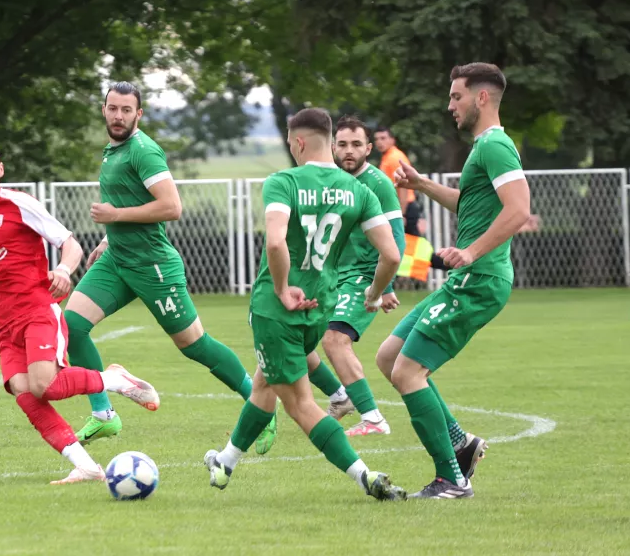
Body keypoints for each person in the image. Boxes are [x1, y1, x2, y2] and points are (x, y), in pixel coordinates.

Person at [202, 108, 406, 501]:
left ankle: (367, 476)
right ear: (330, 143)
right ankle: (225, 462)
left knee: (299, 404)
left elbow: (276, 242)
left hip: (278, 310)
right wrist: (375, 293)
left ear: (297, 142)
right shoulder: (359, 190)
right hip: (320, 307)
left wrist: (281, 288)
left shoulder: (284, 182)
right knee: (265, 381)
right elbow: (392, 256)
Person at [63, 82, 275, 453]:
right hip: (119, 259)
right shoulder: (113, 151)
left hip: (153, 265)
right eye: (113, 108)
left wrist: (115, 215)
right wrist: (109, 237)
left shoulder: (144, 151)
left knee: (194, 346)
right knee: (72, 326)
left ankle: (261, 407)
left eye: (126, 110)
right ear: (104, 109)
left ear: (138, 114)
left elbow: (172, 207)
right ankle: (104, 414)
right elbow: (129, 199)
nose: (118, 115)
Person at [0, 141, 159, 484]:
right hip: (6, 325)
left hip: (37, 310)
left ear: (0, 169)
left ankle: (115, 380)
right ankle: (86, 466)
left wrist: (63, 271)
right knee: (23, 391)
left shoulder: (19, 204)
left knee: (43, 386)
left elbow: (70, 243)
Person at [377, 62, 531, 499]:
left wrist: (470, 252)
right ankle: (462, 444)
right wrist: (422, 184)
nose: (450, 105)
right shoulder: (485, 148)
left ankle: (452, 478)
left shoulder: (496, 146)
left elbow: (518, 209)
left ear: (481, 98)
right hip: (467, 280)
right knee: (390, 358)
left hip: (478, 279)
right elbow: (471, 203)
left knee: (408, 371)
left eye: (456, 96)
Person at [304, 115, 406, 436]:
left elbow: (396, 240)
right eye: (343, 144)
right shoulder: (330, 181)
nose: (349, 151)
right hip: (329, 276)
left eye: (357, 145)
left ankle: (373, 419)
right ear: (333, 147)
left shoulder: (377, 184)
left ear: (369, 148)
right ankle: (339, 397)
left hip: (363, 276)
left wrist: (383, 286)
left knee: (335, 340)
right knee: (295, 342)